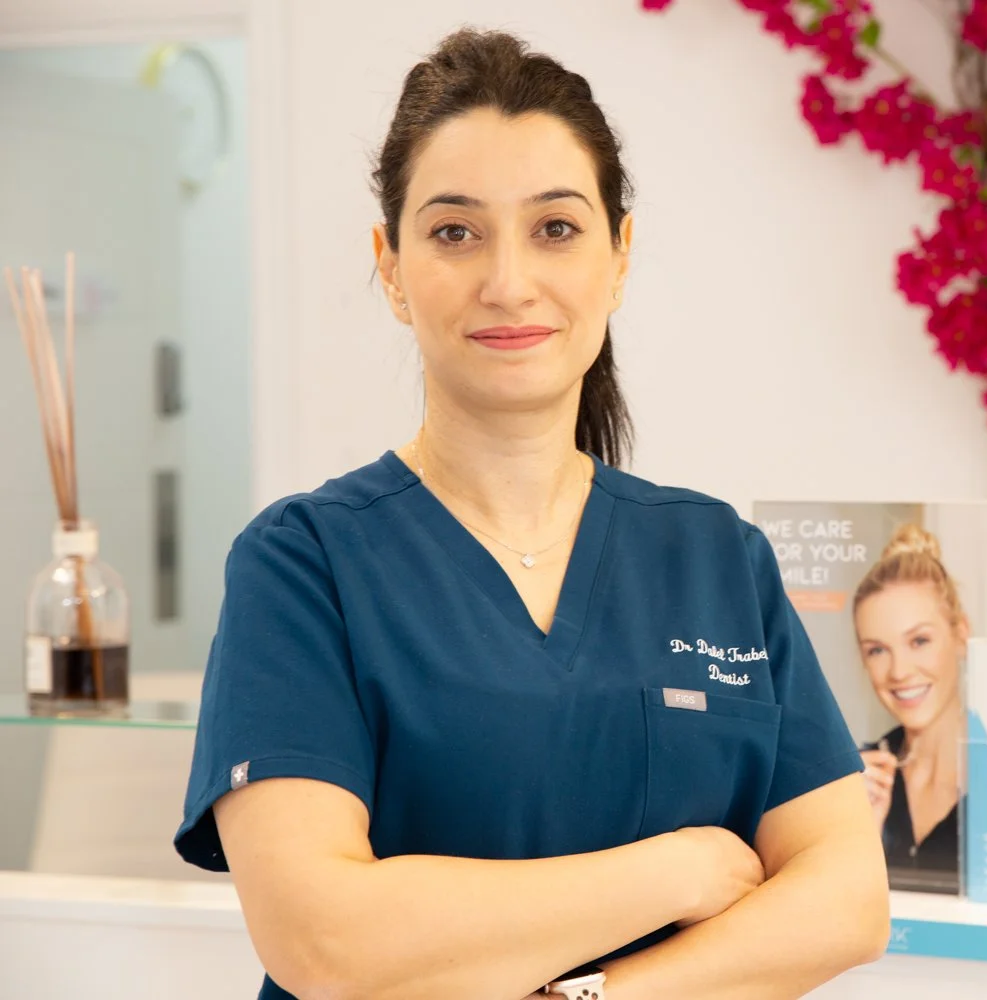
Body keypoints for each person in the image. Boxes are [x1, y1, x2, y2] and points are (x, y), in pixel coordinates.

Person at [173, 28, 888, 1000]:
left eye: (555, 227)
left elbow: (846, 898)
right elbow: (323, 938)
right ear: (389, 264)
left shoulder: (719, 557)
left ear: (619, 254)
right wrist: (673, 872)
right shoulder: (304, 565)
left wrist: (594, 996)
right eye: (455, 231)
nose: (508, 281)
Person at [852, 524, 968, 892]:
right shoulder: (854, 779)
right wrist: (855, 834)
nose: (899, 672)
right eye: (877, 650)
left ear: (961, 635)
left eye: (919, 640)